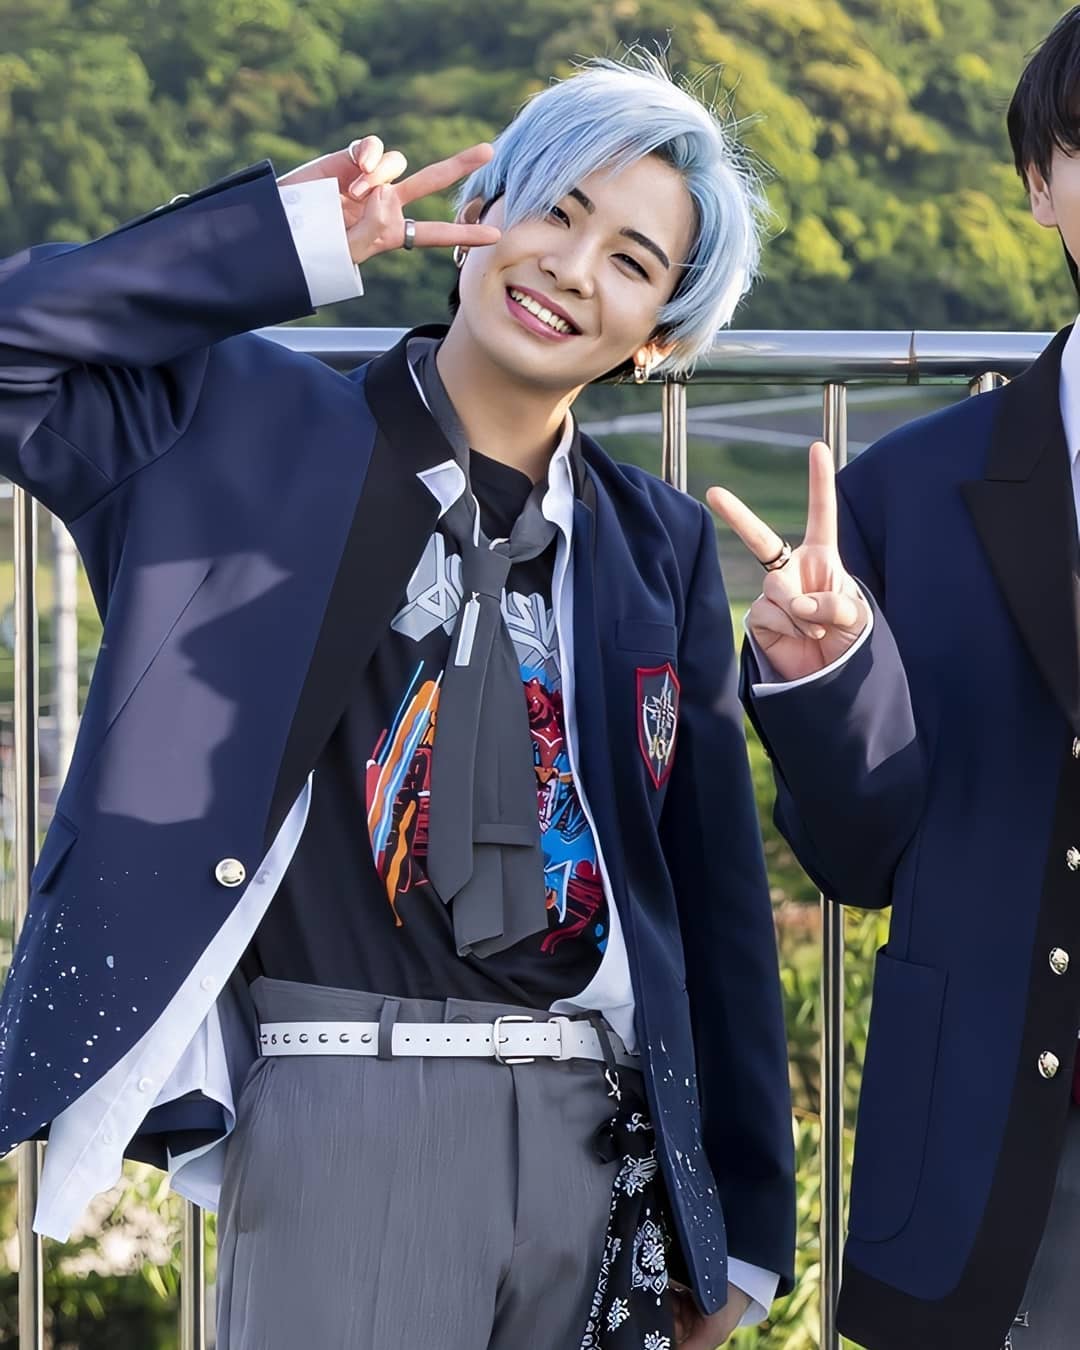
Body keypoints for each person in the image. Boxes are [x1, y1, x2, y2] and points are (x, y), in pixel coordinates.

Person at [0, 54, 794, 1350]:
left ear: (658, 336)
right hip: (347, 1107)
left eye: (632, 261)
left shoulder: (655, 543)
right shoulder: (243, 429)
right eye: (554, 211)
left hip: (600, 1143)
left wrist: (740, 1230)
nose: (571, 267)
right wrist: (280, 243)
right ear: (481, 214)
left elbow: (709, 893)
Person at [710, 9, 1080, 1348]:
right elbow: (857, 857)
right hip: (995, 1166)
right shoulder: (905, 497)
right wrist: (830, 683)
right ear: (1040, 186)